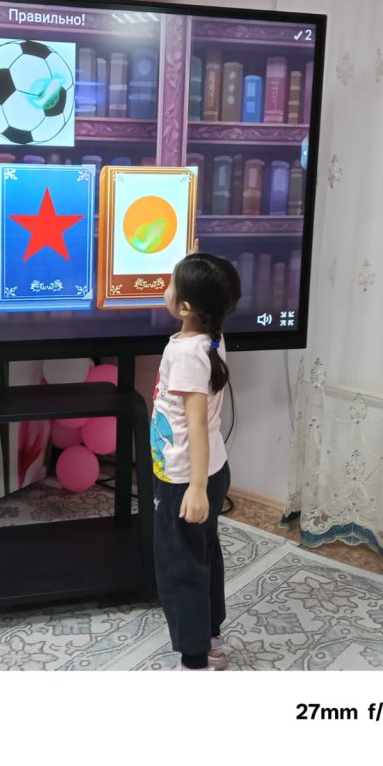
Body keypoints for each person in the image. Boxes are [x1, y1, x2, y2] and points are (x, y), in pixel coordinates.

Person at [150, 248, 241, 670]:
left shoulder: (186, 355)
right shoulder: (211, 336)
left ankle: (194, 660)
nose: (166, 288)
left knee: (180, 567)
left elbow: (198, 425)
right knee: (203, 556)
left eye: (172, 283)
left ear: (186, 307)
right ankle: (211, 640)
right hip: (206, 470)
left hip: (186, 480)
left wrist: (197, 488)